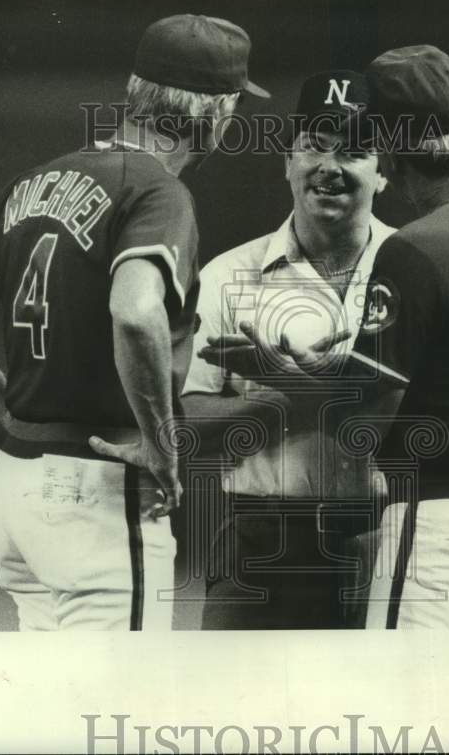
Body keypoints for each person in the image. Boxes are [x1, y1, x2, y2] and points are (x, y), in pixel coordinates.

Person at [0, 14, 269, 631]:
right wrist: (161, 440)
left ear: (134, 88)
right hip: (98, 489)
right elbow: (135, 308)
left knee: (48, 712)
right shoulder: (157, 192)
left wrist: (3, 405)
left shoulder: (38, 180)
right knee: (114, 713)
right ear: (220, 113)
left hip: (16, 486)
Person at [234, 46, 449, 629]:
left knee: (405, 710)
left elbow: (359, 430)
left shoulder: (421, 246)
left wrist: (288, 376)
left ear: (393, 149)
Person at [182, 70, 394, 629]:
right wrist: (278, 403)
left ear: (383, 171)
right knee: (226, 712)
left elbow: (408, 420)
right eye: (314, 147)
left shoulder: (415, 271)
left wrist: (284, 379)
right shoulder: (228, 274)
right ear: (286, 161)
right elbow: (181, 423)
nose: (330, 167)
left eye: (353, 151)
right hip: (258, 543)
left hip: (383, 541)